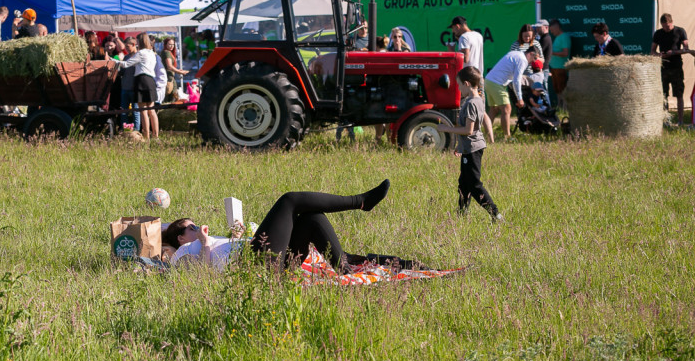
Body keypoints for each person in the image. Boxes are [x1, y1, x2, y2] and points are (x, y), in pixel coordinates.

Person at [162, 181, 392, 272]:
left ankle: (342, 266)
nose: (195, 226)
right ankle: (360, 201)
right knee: (289, 200)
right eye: (190, 227)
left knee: (311, 218)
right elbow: (200, 276)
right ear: (181, 238)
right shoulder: (182, 254)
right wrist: (203, 244)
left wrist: (238, 235)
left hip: (263, 260)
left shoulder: (208, 242)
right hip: (252, 269)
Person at [435, 67, 502, 221]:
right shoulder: (477, 100)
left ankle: (495, 214)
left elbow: (468, 130)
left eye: (459, 85)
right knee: (463, 184)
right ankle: (461, 214)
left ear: (466, 83)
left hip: (473, 149)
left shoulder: (471, 103)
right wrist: (460, 147)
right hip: (469, 149)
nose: (458, 89)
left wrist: (446, 128)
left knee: (474, 184)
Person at [484, 45, 539, 140]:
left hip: (489, 81)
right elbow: (516, 80)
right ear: (530, 54)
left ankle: (486, 137)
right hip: (496, 83)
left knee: (494, 109)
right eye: (535, 58)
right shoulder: (523, 60)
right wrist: (520, 98)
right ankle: (507, 137)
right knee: (506, 109)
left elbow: (510, 76)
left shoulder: (516, 53)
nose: (533, 62)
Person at [116, 32, 159, 139]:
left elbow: (126, 64)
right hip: (151, 81)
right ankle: (156, 135)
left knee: (143, 110)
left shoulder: (140, 53)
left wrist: (112, 61)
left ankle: (146, 136)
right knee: (152, 110)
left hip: (142, 80)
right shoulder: (152, 53)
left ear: (139, 42)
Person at [651, 13, 689, 125]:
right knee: (663, 95)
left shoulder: (680, 31)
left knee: (679, 94)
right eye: (663, 26)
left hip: (676, 67)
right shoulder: (658, 33)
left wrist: (674, 52)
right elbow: (652, 51)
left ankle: (681, 120)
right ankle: (665, 121)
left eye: (667, 26)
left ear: (671, 22)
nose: (666, 29)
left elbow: (686, 49)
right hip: (663, 67)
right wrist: (660, 55)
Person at [547, 19, 570, 109]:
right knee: (557, 89)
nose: (551, 32)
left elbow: (565, 53)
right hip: (554, 68)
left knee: (562, 89)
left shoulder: (564, 37)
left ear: (557, 27)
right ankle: (560, 107)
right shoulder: (558, 37)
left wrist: (551, 52)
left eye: (552, 30)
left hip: (561, 68)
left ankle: (565, 108)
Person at [161, 37, 186, 101]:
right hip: (168, 78)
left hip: (170, 77)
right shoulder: (167, 52)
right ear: (165, 44)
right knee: (171, 96)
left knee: (173, 95)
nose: (172, 46)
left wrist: (178, 70)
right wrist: (179, 72)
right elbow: (169, 66)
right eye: (170, 44)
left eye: (173, 44)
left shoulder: (167, 52)